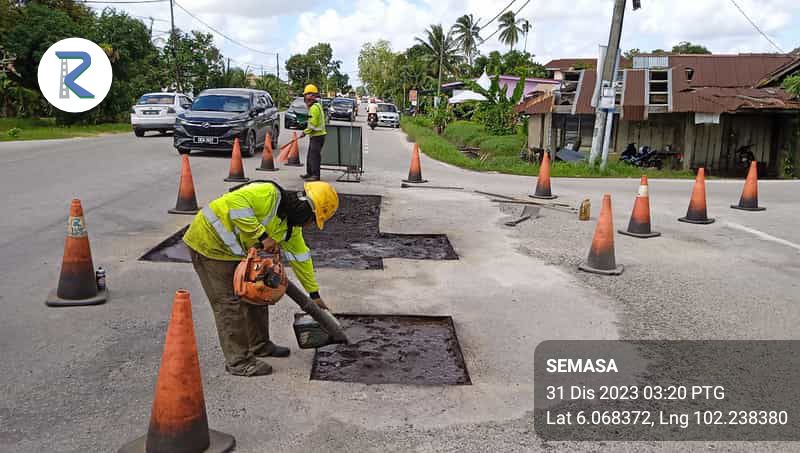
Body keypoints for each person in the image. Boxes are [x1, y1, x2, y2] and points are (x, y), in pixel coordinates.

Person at [183, 180, 339, 377]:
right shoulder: (268, 194)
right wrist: (262, 236)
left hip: (234, 252)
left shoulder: (290, 228)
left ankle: (260, 345)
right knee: (229, 304)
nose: (310, 225)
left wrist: (314, 295)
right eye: (312, 220)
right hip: (209, 243)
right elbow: (235, 203)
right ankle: (239, 361)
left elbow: (302, 259)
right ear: (306, 209)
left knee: (258, 292)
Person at [299, 84, 326, 181]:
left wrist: (304, 132)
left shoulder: (314, 108)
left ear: (312, 96)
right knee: (310, 155)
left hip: (317, 136)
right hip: (315, 135)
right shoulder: (315, 106)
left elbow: (312, 125)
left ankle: (315, 175)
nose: (305, 97)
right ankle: (309, 173)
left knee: (314, 157)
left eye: (307, 95)